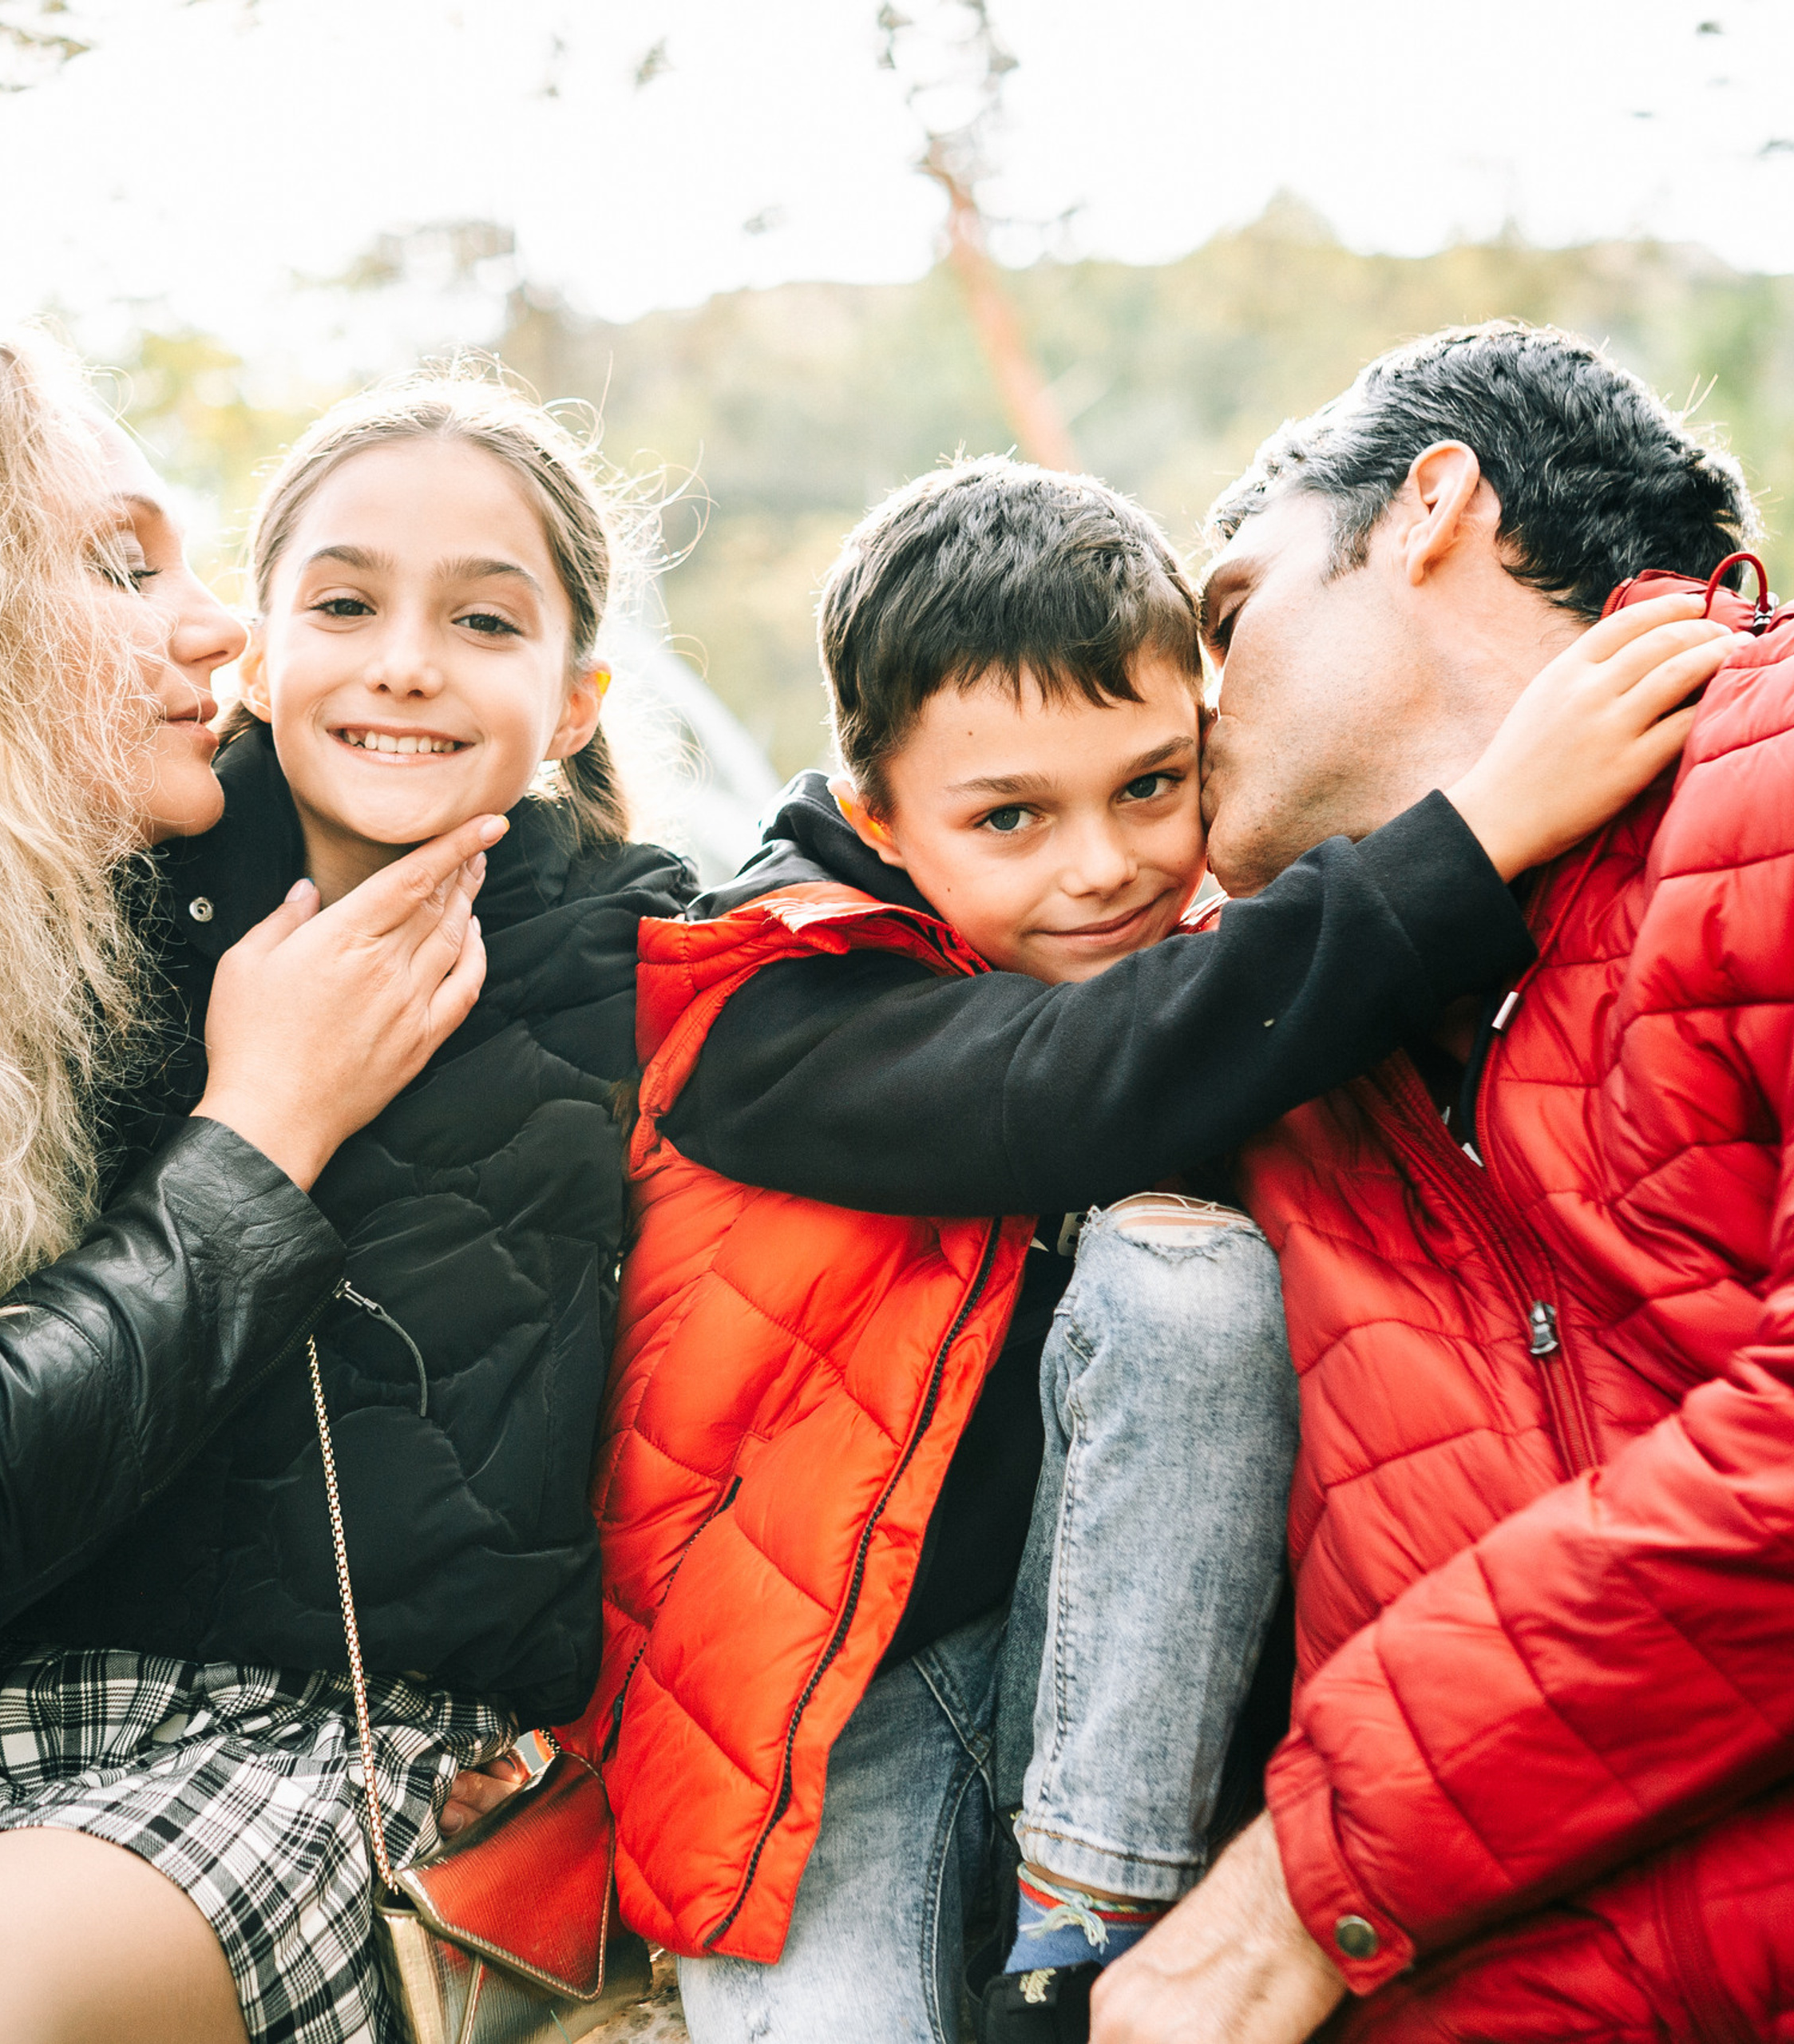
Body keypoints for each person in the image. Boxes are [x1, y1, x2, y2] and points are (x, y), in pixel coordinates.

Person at [556, 454, 1726, 2044]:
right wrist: (1482, 824)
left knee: (1192, 1281)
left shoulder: (1210, 979)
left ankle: (1070, 1946)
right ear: (872, 814)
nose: (1097, 865)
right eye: (1009, 817)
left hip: (1109, 1692)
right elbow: (1068, 1084)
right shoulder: (757, 1005)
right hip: (832, 1727)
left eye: (1148, 786)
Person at [0, 359, 691, 2044]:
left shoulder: (647, 953)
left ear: (573, 693)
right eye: (131, 571)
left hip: (310, 1740)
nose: (208, 636)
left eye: (484, 622)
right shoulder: (27, 903)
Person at [1084, 319, 1793, 2044]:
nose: (1185, 701)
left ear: (1428, 508)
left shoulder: (1765, 771)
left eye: (1226, 614)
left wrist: (1296, 1885)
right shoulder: (1262, 1004)